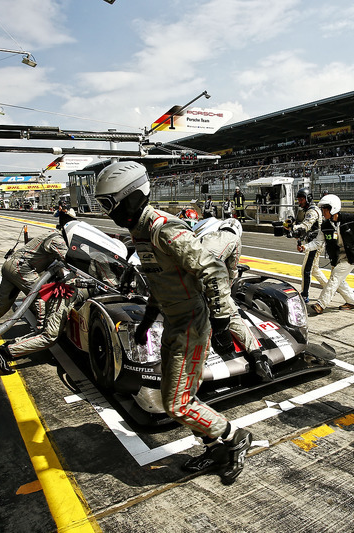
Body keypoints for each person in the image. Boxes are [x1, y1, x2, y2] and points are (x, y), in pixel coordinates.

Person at [94, 161, 252, 485]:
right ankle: (213, 446)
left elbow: (211, 267)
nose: (108, 212)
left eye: (110, 205)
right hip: (173, 323)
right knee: (176, 396)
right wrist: (147, 320)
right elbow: (159, 282)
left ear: (130, 197)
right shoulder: (140, 232)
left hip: (191, 324)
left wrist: (221, 312)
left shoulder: (163, 228)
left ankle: (235, 436)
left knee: (177, 404)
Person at [0, 228, 69, 372]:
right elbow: (68, 258)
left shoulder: (51, 235)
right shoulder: (58, 240)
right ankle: (41, 331)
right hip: (22, 268)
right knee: (44, 295)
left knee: (1, 303)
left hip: (11, 265)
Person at [193, 217, 273, 381]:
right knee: (233, 314)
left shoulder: (207, 236)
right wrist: (226, 290)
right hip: (210, 282)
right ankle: (258, 358)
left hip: (188, 280)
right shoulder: (235, 239)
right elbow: (232, 269)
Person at [305, 194, 354, 314]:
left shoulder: (351, 219)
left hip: (353, 254)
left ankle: (321, 304)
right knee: (339, 281)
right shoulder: (326, 226)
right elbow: (318, 242)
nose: (323, 212)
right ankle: (353, 302)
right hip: (337, 257)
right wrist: (305, 247)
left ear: (333, 208)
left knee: (335, 277)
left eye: (325, 209)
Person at [290, 187, 327, 303]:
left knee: (306, 269)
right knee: (315, 269)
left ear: (308, 199)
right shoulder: (308, 210)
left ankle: (305, 295)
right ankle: (330, 288)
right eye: (298, 200)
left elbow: (306, 225)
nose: (300, 202)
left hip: (315, 243)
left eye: (302, 199)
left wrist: (292, 228)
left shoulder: (312, 211)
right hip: (314, 242)